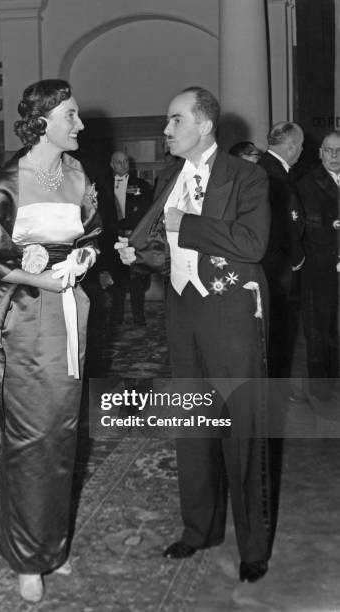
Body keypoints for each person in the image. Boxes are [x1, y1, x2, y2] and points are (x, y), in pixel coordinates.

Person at [0, 80, 101, 603]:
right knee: (31, 436)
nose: (79, 124)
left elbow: (91, 233)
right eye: (71, 115)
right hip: (27, 318)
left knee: (64, 434)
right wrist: (36, 275)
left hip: (71, 315)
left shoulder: (78, 174)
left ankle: (49, 546)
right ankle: (23, 556)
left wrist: (82, 259)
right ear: (42, 121)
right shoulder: (7, 183)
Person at [116, 86, 272, 583]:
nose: (167, 130)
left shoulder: (247, 175)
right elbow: (169, 250)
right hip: (182, 314)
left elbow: (252, 244)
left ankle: (253, 545)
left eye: (175, 120)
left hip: (230, 315)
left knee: (243, 431)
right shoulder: (168, 177)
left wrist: (190, 221)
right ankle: (199, 527)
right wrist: (139, 255)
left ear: (204, 125)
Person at [258, 122, 305, 377]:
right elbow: (283, 224)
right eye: (301, 145)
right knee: (278, 339)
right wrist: (297, 259)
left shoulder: (271, 168)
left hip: (275, 268)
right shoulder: (272, 175)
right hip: (277, 271)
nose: (301, 151)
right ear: (291, 146)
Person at [296, 130, 340, 397]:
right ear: (320, 152)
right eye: (329, 150)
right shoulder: (306, 184)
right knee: (319, 332)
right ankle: (321, 392)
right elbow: (304, 230)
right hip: (320, 268)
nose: (334, 156)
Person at [108, 150, 153, 325]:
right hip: (113, 237)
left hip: (134, 236)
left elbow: (148, 211)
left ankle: (139, 318)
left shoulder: (141, 184)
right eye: (118, 162)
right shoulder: (104, 185)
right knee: (117, 279)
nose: (123, 165)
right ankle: (116, 318)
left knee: (136, 280)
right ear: (112, 165)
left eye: (126, 161)